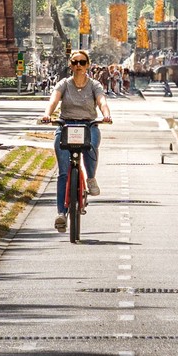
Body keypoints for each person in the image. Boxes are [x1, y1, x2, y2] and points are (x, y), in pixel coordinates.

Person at [38, 49, 112, 234]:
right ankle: (61, 214)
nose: (78, 66)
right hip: (66, 125)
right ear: (70, 65)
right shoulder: (64, 83)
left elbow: (102, 101)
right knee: (63, 172)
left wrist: (106, 115)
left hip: (89, 125)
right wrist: (47, 114)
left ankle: (91, 177)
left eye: (82, 62)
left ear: (88, 65)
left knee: (92, 146)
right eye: (75, 62)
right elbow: (53, 100)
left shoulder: (94, 85)